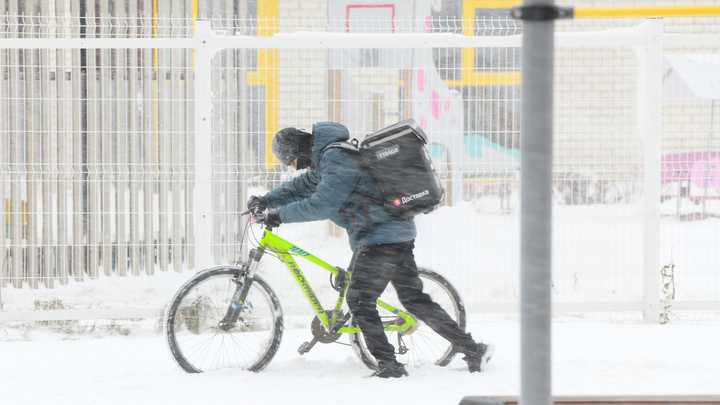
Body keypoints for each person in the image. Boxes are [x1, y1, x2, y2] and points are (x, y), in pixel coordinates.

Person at [247, 121, 494, 378]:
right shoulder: (329, 158)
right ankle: (474, 349)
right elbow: (303, 186)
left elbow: (323, 204)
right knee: (413, 299)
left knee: (359, 300)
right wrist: (267, 200)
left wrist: (280, 215)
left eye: (294, 161)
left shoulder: (336, 158)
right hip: (391, 233)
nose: (296, 167)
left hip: (381, 238)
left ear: (301, 148)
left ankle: (389, 365)